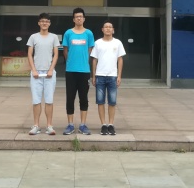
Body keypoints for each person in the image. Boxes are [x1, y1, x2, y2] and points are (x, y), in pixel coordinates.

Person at [62, 7, 95, 135]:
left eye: (81, 16)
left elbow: (90, 50)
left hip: (84, 71)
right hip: (70, 70)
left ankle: (83, 125)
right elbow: (65, 50)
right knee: (70, 98)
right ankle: (70, 124)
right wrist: (70, 61)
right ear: (73, 19)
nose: (79, 18)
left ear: (84, 19)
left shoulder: (89, 33)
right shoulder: (68, 33)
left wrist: (83, 61)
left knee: (83, 98)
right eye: (77, 17)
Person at [26, 12, 60, 135]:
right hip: (36, 73)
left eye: (47, 21)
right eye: (42, 21)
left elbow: (56, 54)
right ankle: (36, 125)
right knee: (36, 100)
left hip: (49, 72)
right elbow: (30, 54)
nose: (44, 23)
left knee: (49, 100)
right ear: (39, 23)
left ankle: (49, 126)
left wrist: (51, 69)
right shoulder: (33, 37)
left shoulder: (54, 37)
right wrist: (33, 69)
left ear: (49, 23)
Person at [91, 21, 126, 135]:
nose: (108, 29)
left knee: (112, 102)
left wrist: (119, 75)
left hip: (112, 76)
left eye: (110, 27)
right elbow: (94, 60)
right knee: (100, 101)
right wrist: (93, 75)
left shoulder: (118, 43)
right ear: (102, 29)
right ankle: (103, 125)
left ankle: (111, 124)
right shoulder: (98, 43)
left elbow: (120, 59)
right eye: (105, 27)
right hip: (100, 75)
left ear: (113, 30)